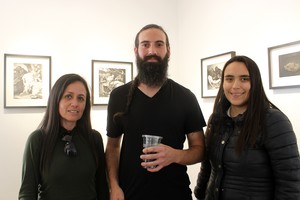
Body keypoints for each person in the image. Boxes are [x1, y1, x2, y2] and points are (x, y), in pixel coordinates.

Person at [105, 24, 206, 200]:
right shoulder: (118, 96)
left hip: (176, 193)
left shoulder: (185, 96)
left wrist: (175, 155)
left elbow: (200, 149)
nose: (152, 50)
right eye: (145, 44)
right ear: (136, 50)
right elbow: (112, 147)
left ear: (168, 50)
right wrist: (114, 186)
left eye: (159, 44)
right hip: (129, 194)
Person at [194, 55, 300, 200]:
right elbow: (208, 166)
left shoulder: (274, 121)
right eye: (229, 79)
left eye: (244, 78)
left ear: (255, 82)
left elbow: (290, 183)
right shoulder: (217, 119)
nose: (235, 86)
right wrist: (200, 193)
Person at [19, 74, 109, 200]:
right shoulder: (37, 140)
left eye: (81, 98)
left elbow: (102, 188)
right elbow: (27, 193)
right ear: (56, 100)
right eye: (68, 96)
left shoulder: (94, 138)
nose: (75, 103)